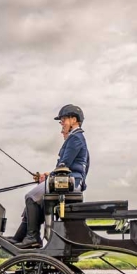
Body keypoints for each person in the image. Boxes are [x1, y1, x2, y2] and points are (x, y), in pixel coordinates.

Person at [9, 104, 89, 249]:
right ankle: (21, 236)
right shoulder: (77, 138)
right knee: (37, 197)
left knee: (31, 196)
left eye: (63, 120)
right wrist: (48, 176)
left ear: (74, 120)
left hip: (68, 184)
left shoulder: (75, 138)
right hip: (68, 182)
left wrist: (49, 177)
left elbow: (64, 165)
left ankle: (32, 237)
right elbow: (67, 167)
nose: (62, 124)